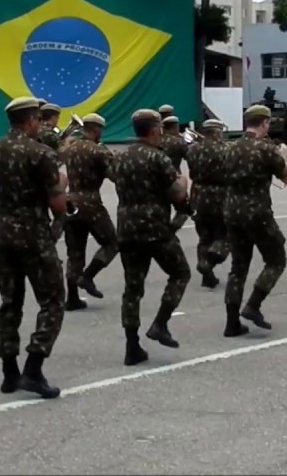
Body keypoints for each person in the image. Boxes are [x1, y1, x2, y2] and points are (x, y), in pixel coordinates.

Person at [0, 97, 67, 399]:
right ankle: (33, 368)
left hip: (4, 235)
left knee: (10, 303)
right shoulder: (40, 153)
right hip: (34, 237)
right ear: (31, 120)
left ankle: (9, 373)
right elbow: (57, 202)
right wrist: (64, 190)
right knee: (53, 300)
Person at [112, 109, 192, 366]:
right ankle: (160, 323)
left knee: (132, 289)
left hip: (127, 229)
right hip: (155, 229)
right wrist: (184, 183)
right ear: (155, 130)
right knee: (180, 273)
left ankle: (132, 345)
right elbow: (178, 195)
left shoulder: (121, 159)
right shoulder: (158, 158)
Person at [222, 104, 287, 337]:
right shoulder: (266, 148)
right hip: (258, 212)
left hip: (232, 212)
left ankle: (231, 322)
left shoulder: (230, 147)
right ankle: (253, 305)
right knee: (276, 259)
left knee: (238, 267)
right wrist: (283, 157)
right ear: (265, 123)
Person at [59, 113, 119, 309]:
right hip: (91, 202)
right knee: (111, 243)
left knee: (75, 252)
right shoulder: (98, 151)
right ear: (96, 129)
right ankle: (88, 276)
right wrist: (115, 159)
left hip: (70, 200)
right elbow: (114, 176)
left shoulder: (69, 149)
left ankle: (72, 298)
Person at [184, 118, 230, 289]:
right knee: (224, 235)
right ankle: (208, 263)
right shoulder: (225, 150)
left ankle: (207, 276)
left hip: (198, 194)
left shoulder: (192, 150)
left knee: (204, 237)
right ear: (217, 132)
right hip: (220, 196)